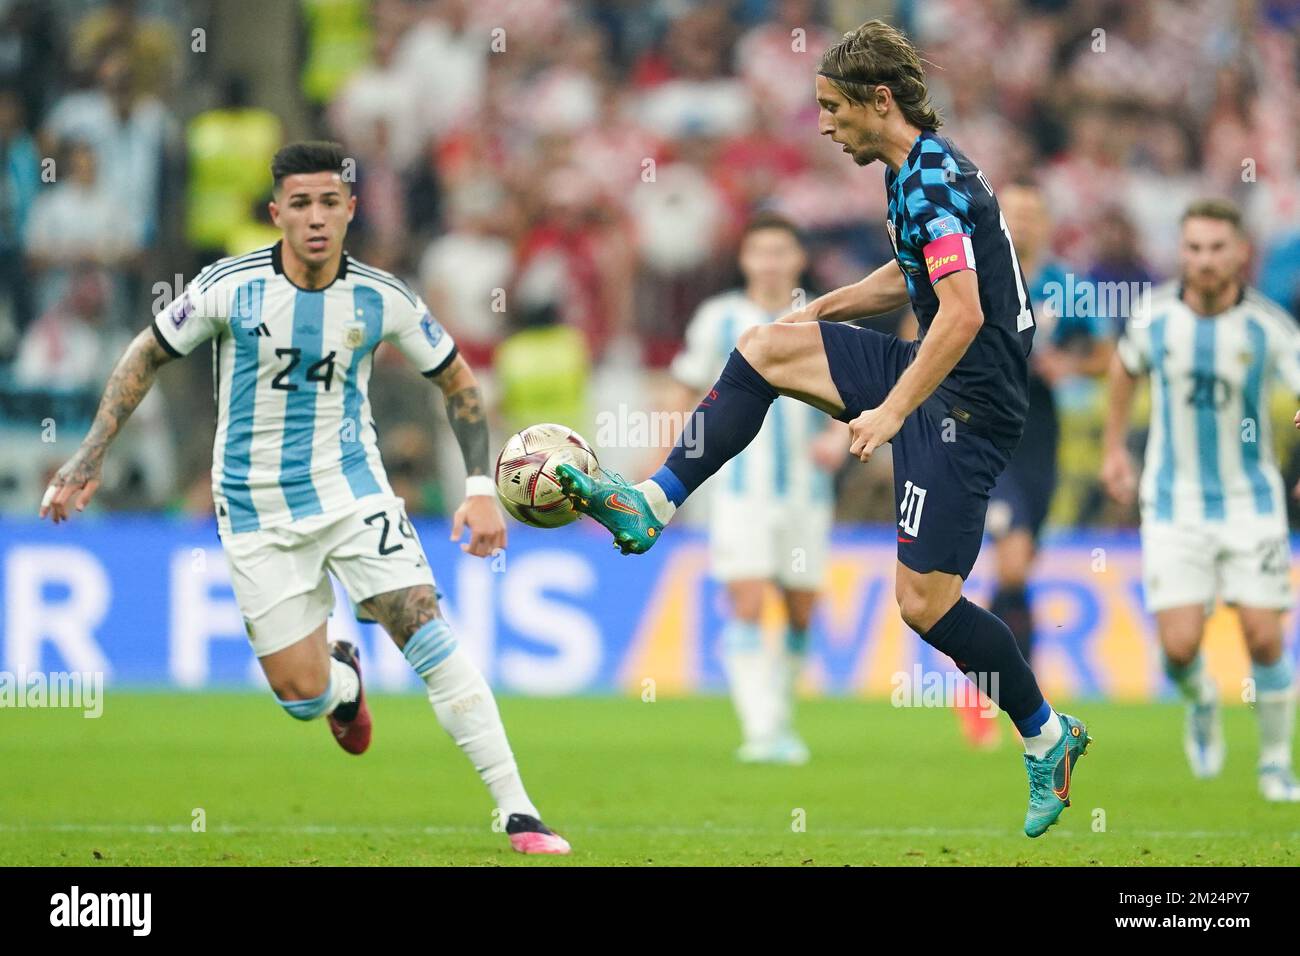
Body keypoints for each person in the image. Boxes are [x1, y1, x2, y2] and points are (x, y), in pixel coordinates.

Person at [558, 20, 1091, 837]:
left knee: (924, 606)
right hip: (931, 381)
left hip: (967, 409)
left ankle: (1047, 736)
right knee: (767, 347)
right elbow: (911, 277)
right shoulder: (908, 172)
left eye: (832, 106)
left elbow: (961, 312)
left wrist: (891, 410)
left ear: (880, 101)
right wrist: (825, 306)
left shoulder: (933, 180)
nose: (823, 123)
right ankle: (653, 502)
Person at [38, 141, 571, 853]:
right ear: (276, 214)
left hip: (353, 493)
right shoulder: (230, 286)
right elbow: (147, 353)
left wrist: (480, 490)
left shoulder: (383, 297)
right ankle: (343, 688)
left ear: (350, 210)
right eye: (300, 204)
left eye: (329, 203)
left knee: (422, 622)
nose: (315, 218)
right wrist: (90, 452)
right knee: (301, 697)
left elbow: (457, 382)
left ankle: (518, 810)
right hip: (255, 510)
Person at [1101, 198, 1300, 802]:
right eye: (1194, 248)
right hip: (1172, 503)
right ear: (1181, 252)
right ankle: (1202, 700)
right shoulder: (1154, 317)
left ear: (1241, 253)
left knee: (1265, 638)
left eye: (1217, 248)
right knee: (1179, 648)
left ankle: (1273, 763)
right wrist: (1114, 448)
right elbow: (1122, 369)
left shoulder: (1269, 326)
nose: (1205, 260)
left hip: (1252, 502)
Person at [670, 213, 846, 764]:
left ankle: (781, 718)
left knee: (798, 611)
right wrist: (677, 469)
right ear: (745, 260)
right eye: (759, 252)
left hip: (806, 492)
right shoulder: (718, 318)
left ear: (797, 259)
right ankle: (763, 730)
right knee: (746, 603)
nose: (770, 262)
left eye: (780, 252)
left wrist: (839, 440)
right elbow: (685, 392)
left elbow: (856, 393)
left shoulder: (825, 315)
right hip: (739, 492)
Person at [956, 182, 1111, 749]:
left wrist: (1066, 365)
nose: (1021, 224)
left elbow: (1103, 356)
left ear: (1046, 223)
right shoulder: (976, 275)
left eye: (1031, 214)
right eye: (1011, 214)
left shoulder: (1066, 287)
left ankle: (1014, 689)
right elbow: (920, 334)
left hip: (1042, 437)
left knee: (1022, 569)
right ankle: (985, 692)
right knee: (1014, 562)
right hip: (986, 435)